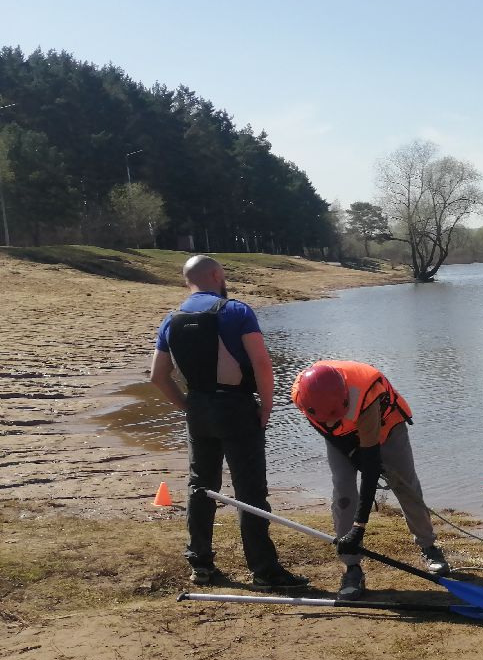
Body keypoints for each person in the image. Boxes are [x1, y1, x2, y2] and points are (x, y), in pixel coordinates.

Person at [149, 255, 308, 589]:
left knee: (201, 487)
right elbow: (262, 364)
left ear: (186, 280)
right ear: (217, 275)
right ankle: (264, 571)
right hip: (235, 407)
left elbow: (157, 376)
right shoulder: (236, 311)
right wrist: (266, 406)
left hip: (199, 409)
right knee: (250, 490)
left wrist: (186, 407)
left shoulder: (171, 319)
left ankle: (201, 565)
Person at [291, 361, 450, 600]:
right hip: (341, 438)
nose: (333, 419)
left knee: (406, 487)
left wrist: (359, 527)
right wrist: (350, 451)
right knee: (343, 493)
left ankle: (429, 546)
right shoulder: (303, 395)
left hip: (386, 429)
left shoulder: (365, 394)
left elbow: (371, 468)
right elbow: (326, 430)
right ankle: (351, 567)